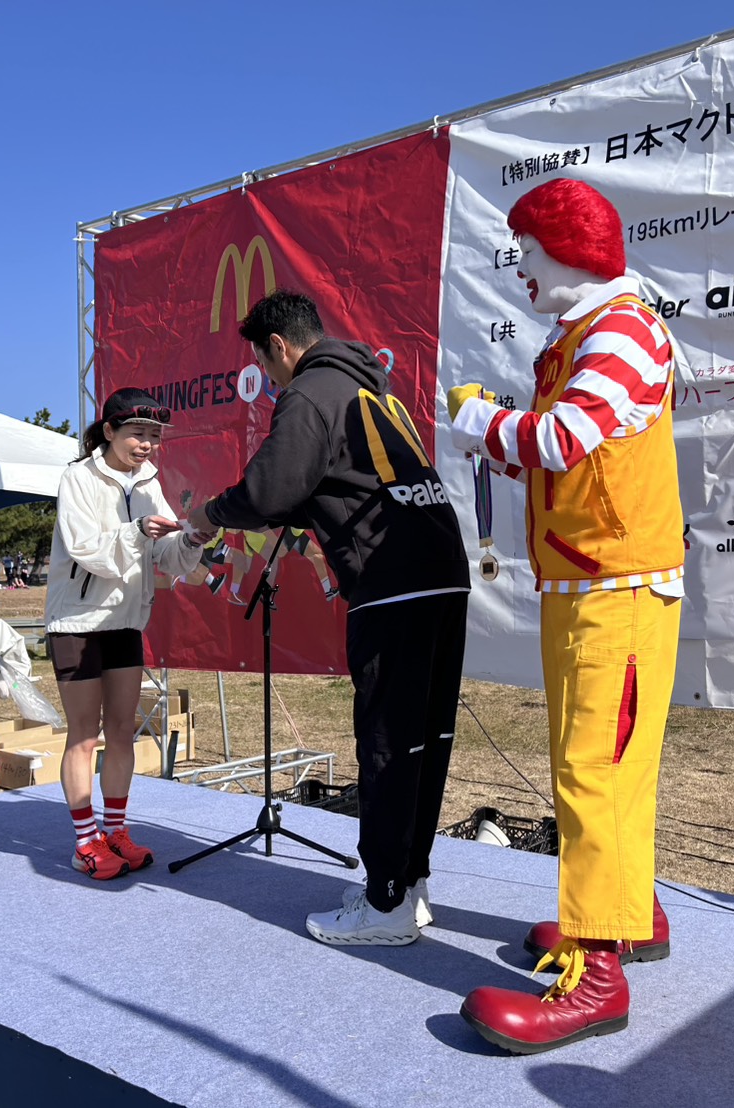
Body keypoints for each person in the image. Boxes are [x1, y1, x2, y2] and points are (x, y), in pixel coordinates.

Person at [448, 179, 684, 1053]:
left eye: (528, 253)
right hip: (592, 586)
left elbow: (562, 439)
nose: (520, 270)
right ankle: (623, 915)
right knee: (602, 766)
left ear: (567, 250)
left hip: (614, 589)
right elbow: (564, 459)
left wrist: (482, 420)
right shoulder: (586, 334)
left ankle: (597, 973)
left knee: (594, 771)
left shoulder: (619, 329)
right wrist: (495, 438)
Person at [187, 290, 469, 945]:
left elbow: (268, 491)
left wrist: (208, 515)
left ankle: (386, 902)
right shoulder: (373, 390)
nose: (268, 379)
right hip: (440, 573)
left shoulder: (309, 393)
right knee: (424, 741)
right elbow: (316, 490)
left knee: (388, 742)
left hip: (391, 581)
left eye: (265, 365)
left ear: (277, 347)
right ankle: (407, 882)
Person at [46, 387, 206, 880]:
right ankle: (85, 842)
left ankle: (115, 831)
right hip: (78, 624)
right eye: (138, 433)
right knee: (83, 735)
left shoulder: (149, 481)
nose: (147, 444)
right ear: (109, 430)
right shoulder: (78, 476)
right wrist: (137, 530)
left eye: (154, 436)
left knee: (121, 732)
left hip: (126, 622)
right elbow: (85, 549)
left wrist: (193, 539)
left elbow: (167, 556)